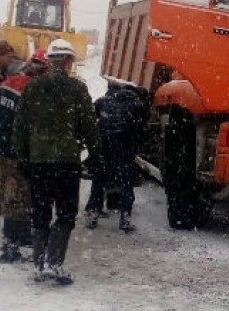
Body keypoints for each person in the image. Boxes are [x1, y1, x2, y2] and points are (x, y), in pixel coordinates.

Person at [13, 39, 98, 284]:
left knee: (40, 211)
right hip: (65, 163)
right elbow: (89, 127)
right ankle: (55, 264)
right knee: (65, 213)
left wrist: (23, 157)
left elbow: (20, 127)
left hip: (38, 162)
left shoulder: (33, 87)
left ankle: (38, 266)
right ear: (70, 61)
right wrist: (95, 154)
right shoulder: (77, 89)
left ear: (49, 61)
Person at [0, 48, 49, 262]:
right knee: (15, 201)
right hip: (15, 152)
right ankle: (10, 249)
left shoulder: (7, 82)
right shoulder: (35, 91)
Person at [83, 82, 149, 232]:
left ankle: (93, 213)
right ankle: (125, 218)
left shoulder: (103, 101)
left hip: (104, 145)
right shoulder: (138, 105)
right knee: (126, 182)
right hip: (125, 148)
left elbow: (90, 118)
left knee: (99, 178)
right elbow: (143, 129)